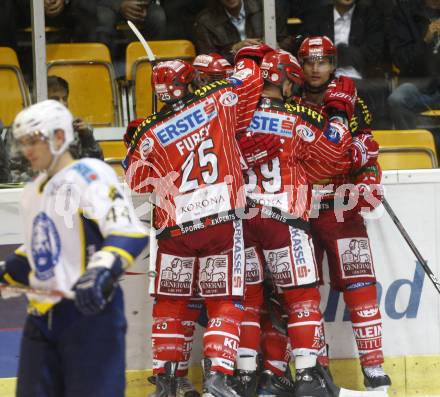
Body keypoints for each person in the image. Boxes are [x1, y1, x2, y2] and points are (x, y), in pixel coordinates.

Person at [124, 56, 276, 397]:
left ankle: (165, 382)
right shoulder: (218, 98)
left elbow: (137, 188)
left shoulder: (147, 133)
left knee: (170, 303)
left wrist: (133, 143)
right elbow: (251, 77)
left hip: (174, 227)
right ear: (191, 81)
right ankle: (218, 379)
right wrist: (247, 58)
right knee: (225, 299)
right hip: (220, 218)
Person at [235, 49, 367, 397]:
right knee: (302, 298)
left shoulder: (231, 114)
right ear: (290, 81)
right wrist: (340, 112)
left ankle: (247, 376)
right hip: (285, 219)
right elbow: (336, 155)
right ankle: (308, 374)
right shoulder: (298, 116)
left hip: (240, 223)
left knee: (248, 300)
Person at [0, 99, 149, 396]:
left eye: (34, 141)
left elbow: (128, 231)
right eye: (23, 143)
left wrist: (100, 271)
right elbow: (36, 253)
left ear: (58, 137)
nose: (27, 150)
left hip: (90, 316)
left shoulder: (88, 173)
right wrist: (5, 272)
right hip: (41, 318)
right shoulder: (31, 192)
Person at [296, 35, 391, 391]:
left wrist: (367, 179)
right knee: (300, 294)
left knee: (361, 285)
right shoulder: (289, 101)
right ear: (300, 65)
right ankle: (317, 371)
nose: (316, 68)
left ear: (333, 63)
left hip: (341, 209)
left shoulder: (352, 99)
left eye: (323, 61)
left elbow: (368, 146)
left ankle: (374, 367)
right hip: (300, 212)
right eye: (309, 61)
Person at [297, 0, 391, 128]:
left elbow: (375, 53)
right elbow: (305, 49)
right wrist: (343, 54)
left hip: (361, 80)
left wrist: (340, 53)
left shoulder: (371, 15)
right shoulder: (316, 15)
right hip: (323, 77)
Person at [7, 75, 103, 183]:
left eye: (65, 98)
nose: (62, 104)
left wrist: (87, 139)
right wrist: (44, 184)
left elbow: (95, 168)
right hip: (33, 192)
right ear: (39, 100)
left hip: (71, 192)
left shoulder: (73, 129)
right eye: (55, 99)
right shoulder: (22, 130)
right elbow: (12, 174)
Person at [387, 0, 440, 129]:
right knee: (397, 99)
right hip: (417, 85)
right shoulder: (404, 11)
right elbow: (401, 60)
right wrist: (425, 41)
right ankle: (410, 147)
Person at [193, 0, 290, 63]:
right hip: (231, 75)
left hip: (267, 65)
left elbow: (285, 40)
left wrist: (275, 46)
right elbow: (207, 61)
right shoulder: (205, 21)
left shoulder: (265, 7)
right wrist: (234, 50)